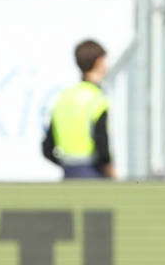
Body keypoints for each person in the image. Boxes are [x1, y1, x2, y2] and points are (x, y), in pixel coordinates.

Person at [42, 39, 113, 179]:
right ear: (99, 62)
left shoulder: (63, 98)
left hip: (68, 175)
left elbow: (47, 148)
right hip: (93, 174)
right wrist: (111, 174)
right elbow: (103, 149)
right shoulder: (97, 99)